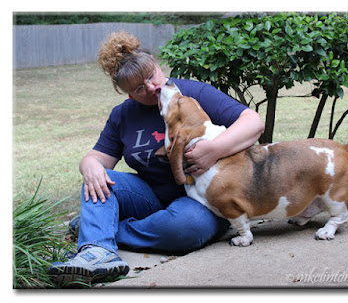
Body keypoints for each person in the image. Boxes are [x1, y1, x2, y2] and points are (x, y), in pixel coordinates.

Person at [48, 31, 264, 284]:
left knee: (187, 228)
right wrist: (90, 167)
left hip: (201, 200)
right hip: (148, 196)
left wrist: (215, 149)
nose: (152, 88)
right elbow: (96, 158)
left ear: (158, 66)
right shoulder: (123, 115)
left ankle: (101, 229)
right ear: (128, 94)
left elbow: (253, 123)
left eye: (152, 76)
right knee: (98, 179)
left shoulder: (191, 96)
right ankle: (98, 251)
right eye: (139, 88)